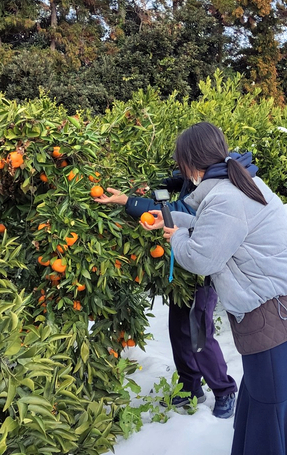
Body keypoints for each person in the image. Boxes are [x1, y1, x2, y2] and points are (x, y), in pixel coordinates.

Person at [142, 121, 287, 455]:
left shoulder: (226, 199)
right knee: (277, 394)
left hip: (272, 314)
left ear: (192, 164)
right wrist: (175, 222)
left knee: (268, 397)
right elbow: (222, 231)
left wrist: (175, 238)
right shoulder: (242, 182)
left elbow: (202, 256)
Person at [93, 173, 238, 419]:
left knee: (199, 335)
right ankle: (190, 388)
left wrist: (128, 200)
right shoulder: (195, 174)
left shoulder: (215, 187)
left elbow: (175, 211)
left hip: (202, 271)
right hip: (182, 270)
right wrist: (153, 182)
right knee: (179, 331)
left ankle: (224, 390)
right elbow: (174, 182)